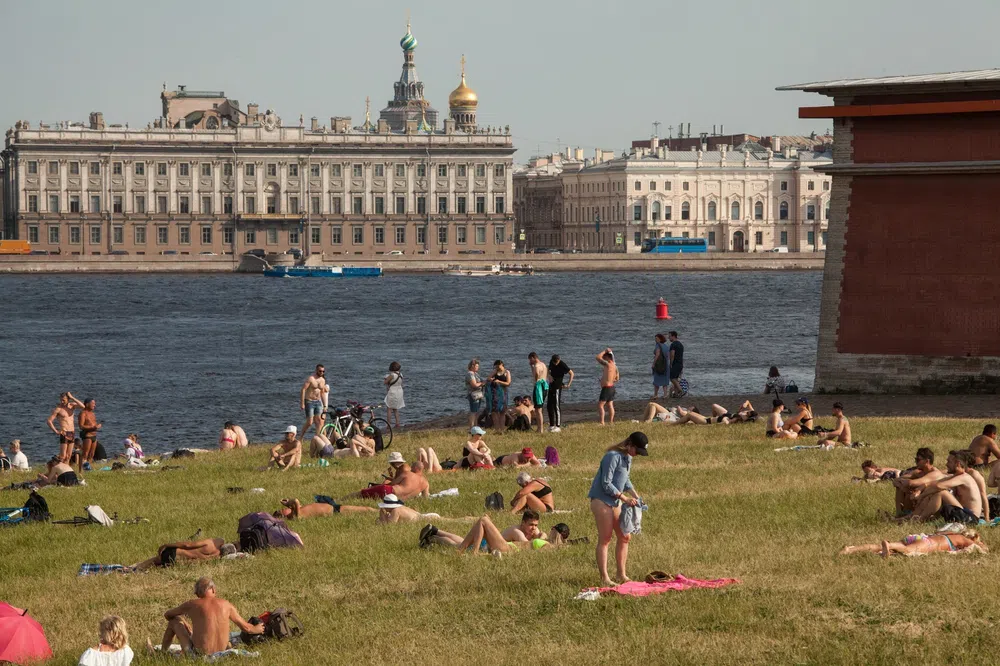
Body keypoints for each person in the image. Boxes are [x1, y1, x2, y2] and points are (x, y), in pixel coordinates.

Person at [589, 432, 647, 587]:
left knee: (625, 536)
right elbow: (606, 482)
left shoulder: (628, 457)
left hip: (615, 500)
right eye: (637, 451)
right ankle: (605, 578)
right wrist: (625, 499)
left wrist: (636, 495)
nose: (637, 455)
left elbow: (625, 479)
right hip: (601, 500)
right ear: (630, 445)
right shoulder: (612, 456)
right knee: (605, 539)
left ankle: (621, 574)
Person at [153, 577, 263, 656]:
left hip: (200, 654)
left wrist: (182, 619)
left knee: (174, 621)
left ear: (197, 594)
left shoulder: (192, 604)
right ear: (214, 590)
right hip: (222, 650)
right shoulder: (226, 604)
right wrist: (257, 629)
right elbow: (247, 628)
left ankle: (162, 654)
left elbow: (168, 615)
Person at [420, 514, 568, 554]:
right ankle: (434, 536)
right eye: (531, 525)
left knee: (482, 522)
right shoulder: (520, 531)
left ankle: (435, 535)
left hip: (504, 548)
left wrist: (543, 537)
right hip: (497, 545)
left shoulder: (547, 546)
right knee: (461, 541)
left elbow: (530, 549)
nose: (533, 528)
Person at [908, 450, 986, 524]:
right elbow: (933, 483)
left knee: (942, 493)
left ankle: (920, 519)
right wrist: (920, 489)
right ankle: (912, 516)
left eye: (949, 462)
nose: (946, 464)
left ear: (957, 464)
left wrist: (921, 496)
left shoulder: (964, 477)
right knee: (933, 493)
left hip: (970, 518)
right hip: (962, 513)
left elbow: (939, 486)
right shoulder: (956, 476)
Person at [839, 530, 986, 558]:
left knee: (877, 547)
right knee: (907, 551)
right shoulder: (963, 539)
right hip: (928, 544)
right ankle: (889, 547)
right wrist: (980, 544)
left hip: (919, 537)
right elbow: (982, 548)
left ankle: (851, 549)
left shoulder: (950, 534)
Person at [890, 448, 945, 517]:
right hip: (919, 500)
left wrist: (904, 484)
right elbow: (897, 480)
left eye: (918, 460)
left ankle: (906, 515)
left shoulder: (935, 473)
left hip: (931, 503)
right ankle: (900, 513)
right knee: (901, 487)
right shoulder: (919, 472)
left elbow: (912, 483)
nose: (916, 462)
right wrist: (902, 484)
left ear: (927, 461)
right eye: (915, 459)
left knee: (907, 487)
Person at [131, 538, 236, 571]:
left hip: (175, 553)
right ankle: (136, 570)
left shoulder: (211, 544)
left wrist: (167, 545)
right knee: (155, 566)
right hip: (178, 563)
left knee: (152, 561)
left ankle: (132, 569)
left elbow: (187, 545)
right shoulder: (215, 559)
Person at [47, 392, 84, 463]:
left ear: (68, 399)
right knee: (63, 456)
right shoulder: (58, 409)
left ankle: (66, 471)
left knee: (68, 456)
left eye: (64, 400)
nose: (62, 401)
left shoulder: (72, 406)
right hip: (64, 432)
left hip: (72, 432)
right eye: (61, 400)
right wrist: (56, 431)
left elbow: (83, 406)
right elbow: (49, 421)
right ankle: (60, 471)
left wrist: (72, 397)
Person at [274, 497, 376, 520]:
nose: (283, 509)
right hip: (335, 512)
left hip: (333, 508)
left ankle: (378, 511)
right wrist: (289, 503)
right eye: (283, 510)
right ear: (285, 515)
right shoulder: (297, 516)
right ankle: (379, 511)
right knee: (366, 509)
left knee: (365, 509)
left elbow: (296, 505)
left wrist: (289, 505)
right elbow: (296, 501)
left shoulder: (297, 511)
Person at [300, 364, 329, 439]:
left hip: (318, 401)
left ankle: (318, 438)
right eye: (320, 371)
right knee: (310, 422)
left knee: (319, 421)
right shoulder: (311, 379)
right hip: (309, 401)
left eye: (323, 371)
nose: (322, 372)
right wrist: (302, 403)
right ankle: (301, 437)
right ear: (316, 370)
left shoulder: (323, 380)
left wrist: (325, 405)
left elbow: (322, 393)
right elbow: (303, 389)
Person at [546, 354, 573, 433]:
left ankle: (558, 426)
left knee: (556, 406)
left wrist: (568, 384)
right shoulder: (551, 362)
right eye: (554, 362)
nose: (555, 363)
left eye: (556, 362)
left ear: (559, 360)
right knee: (549, 405)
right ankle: (551, 425)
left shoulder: (562, 364)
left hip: (558, 387)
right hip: (551, 386)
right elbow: (548, 369)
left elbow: (571, 373)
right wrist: (549, 376)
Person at [375, 494, 441, 524]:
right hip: (428, 516)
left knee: (449, 521)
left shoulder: (396, 510)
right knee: (448, 520)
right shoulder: (398, 508)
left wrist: (383, 517)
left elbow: (390, 525)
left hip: (428, 519)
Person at [485, 360, 512, 433]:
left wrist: (499, 382)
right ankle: (497, 429)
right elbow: (488, 378)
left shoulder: (507, 372)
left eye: (498, 366)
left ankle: (502, 428)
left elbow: (508, 383)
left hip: (503, 392)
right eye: (496, 366)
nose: (497, 367)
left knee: (502, 411)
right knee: (494, 411)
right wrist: (491, 379)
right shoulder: (495, 371)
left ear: (502, 364)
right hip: (495, 393)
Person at [595, 348, 619, 426]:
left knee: (600, 405)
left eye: (604, 357)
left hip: (607, 388)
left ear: (608, 357)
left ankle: (602, 422)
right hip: (612, 387)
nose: (603, 358)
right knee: (610, 405)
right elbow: (617, 378)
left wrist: (605, 351)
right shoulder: (615, 366)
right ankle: (611, 422)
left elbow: (598, 357)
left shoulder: (608, 364)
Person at [77, 398, 102, 475]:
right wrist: (93, 427)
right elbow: (81, 426)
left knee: (92, 454)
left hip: (94, 435)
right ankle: (81, 471)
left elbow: (93, 424)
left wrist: (97, 426)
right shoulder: (83, 413)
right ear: (87, 404)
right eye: (93, 403)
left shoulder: (92, 414)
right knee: (85, 454)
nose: (94, 405)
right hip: (87, 435)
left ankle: (88, 470)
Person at [528, 352, 549, 434]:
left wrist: (536, 381)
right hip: (544, 386)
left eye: (530, 359)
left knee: (538, 409)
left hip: (539, 387)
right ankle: (540, 428)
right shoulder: (543, 364)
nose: (530, 361)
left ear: (533, 357)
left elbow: (536, 373)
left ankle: (540, 429)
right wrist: (531, 367)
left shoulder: (537, 365)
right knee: (539, 408)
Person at [384, 361, 405, 429]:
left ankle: (388, 424)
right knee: (396, 408)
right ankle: (397, 423)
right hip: (399, 391)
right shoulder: (401, 374)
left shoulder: (392, 375)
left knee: (389, 408)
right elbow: (402, 384)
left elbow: (385, 382)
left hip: (393, 391)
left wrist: (385, 379)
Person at [465, 359, 485, 429]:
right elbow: (474, 385)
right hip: (473, 394)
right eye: (476, 366)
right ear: (472, 366)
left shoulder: (475, 374)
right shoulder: (470, 374)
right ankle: (472, 428)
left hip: (478, 394)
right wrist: (482, 383)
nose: (478, 367)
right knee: (473, 412)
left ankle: (475, 427)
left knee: (476, 411)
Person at [651, 333, 670, 399]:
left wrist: (653, 363)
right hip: (665, 365)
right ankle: (665, 394)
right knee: (665, 381)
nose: (655, 340)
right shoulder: (666, 346)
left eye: (657, 338)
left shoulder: (658, 345)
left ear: (660, 339)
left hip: (659, 365)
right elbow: (668, 356)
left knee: (656, 380)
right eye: (655, 338)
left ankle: (656, 394)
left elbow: (657, 354)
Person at [667, 331, 685, 398]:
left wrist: (671, 363)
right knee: (676, 378)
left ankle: (680, 390)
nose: (669, 338)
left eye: (670, 336)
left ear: (673, 336)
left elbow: (672, 355)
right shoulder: (680, 344)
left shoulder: (673, 344)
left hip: (675, 364)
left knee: (672, 378)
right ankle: (676, 394)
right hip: (680, 363)